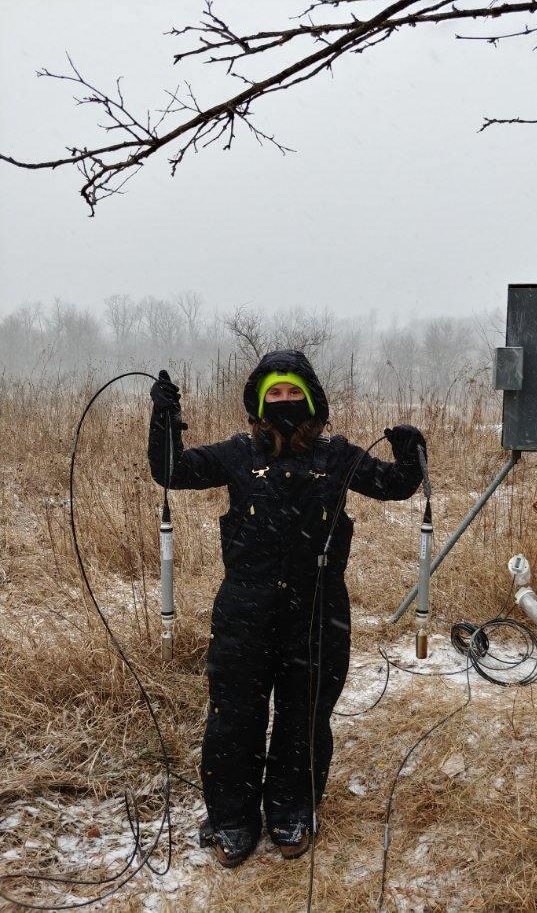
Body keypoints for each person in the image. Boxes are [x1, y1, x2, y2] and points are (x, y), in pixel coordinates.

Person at [148, 350, 425, 868]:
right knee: (235, 717)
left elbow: (393, 486)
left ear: (312, 399)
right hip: (244, 611)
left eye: (292, 391)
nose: (284, 400)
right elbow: (172, 470)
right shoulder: (235, 454)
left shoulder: (337, 457)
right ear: (257, 401)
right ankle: (232, 819)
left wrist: (410, 451)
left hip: (317, 611)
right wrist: (163, 418)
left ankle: (290, 811)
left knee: (303, 716)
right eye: (274, 392)